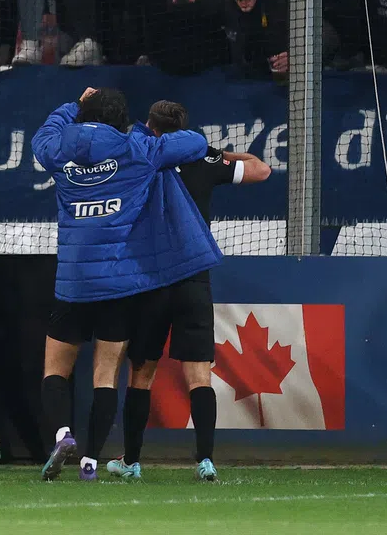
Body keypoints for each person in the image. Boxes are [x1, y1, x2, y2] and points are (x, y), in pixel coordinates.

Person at [30, 87, 218, 484]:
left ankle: (63, 435)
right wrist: (137, 133)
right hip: (118, 284)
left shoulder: (59, 151)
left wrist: (72, 105)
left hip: (73, 281)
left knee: (54, 370)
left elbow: (42, 135)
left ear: (83, 116)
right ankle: (91, 462)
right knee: (105, 375)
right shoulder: (137, 150)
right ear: (122, 121)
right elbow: (196, 142)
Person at [111, 100, 271, 484]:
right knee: (199, 374)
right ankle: (206, 461)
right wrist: (217, 152)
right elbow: (262, 169)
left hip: (151, 276)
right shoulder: (204, 161)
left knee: (142, 373)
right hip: (194, 275)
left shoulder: (139, 159)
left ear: (150, 127)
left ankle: (131, 462)